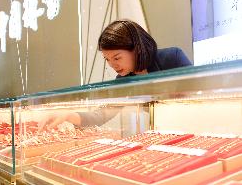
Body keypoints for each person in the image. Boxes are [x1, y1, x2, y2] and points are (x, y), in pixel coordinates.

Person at [39, 20, 192, 131]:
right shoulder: (123, 80)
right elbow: (101, 115)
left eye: (117, 58)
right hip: (162, 131)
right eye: (107, 59)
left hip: (193, 126)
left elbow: (202, 93)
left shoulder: (172, 57)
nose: (112, 65)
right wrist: (67, 115)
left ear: (137, 49)